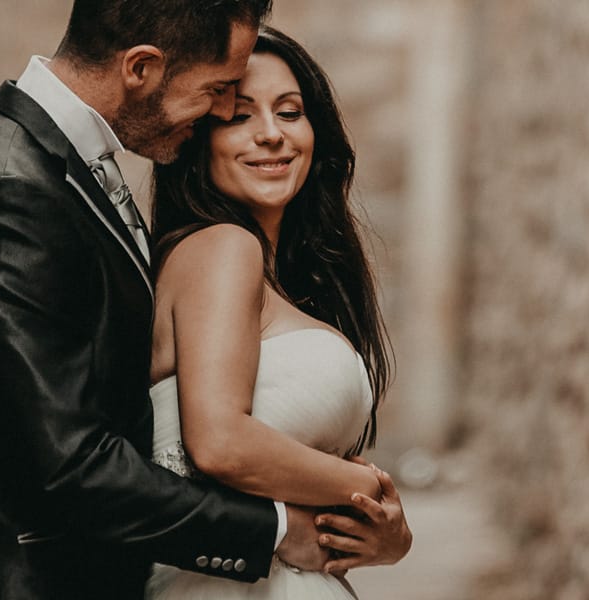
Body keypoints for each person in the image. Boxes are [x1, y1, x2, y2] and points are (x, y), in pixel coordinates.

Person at [0, 2, 383, 599]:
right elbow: (67, 463)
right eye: (221, 91)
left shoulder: (75, 167)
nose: (225, 110)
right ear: (141, 67)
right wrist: (280, 528)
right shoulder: (14, 181)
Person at [145, 25, 411, 599]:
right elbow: (218, 442)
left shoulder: (277, 276)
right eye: (239, 116)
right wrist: (370, 491)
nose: (271, 135)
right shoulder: (221, 248)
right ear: (197, 140)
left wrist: (383, 536)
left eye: (289, 112)